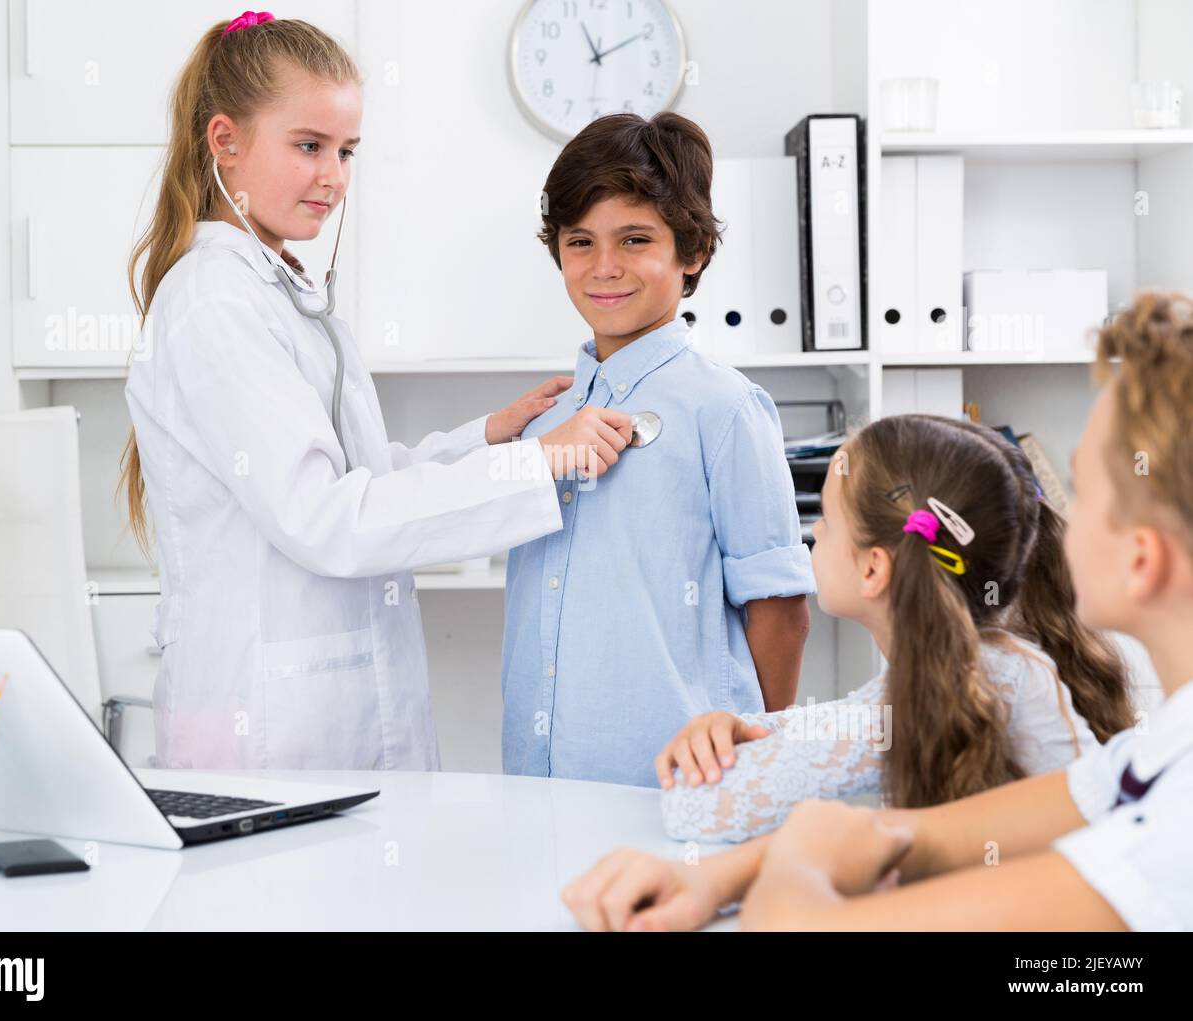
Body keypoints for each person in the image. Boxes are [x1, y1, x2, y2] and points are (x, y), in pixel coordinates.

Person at [563, 290, 1193, 932]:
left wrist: (807, 847)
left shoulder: (1173, 839)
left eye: (1083, 490)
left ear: (1142, 559)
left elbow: (797, 925)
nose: (1057, 519)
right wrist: (710, 876)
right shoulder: (1154, 758)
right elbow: (913, 835)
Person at [120, 13, 631, 770]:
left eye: (347, 151)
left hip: (318, 714)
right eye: (309, 146)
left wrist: (486, 436)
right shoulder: (215, 302)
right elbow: (330, 519)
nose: (333, 176)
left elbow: (352, 477)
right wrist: (535, 465)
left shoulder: (277, 287)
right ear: (225, 140)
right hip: (266, 726)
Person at [501, 112, 815, 789]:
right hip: (536, 780)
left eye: (635, 239)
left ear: (692, 251)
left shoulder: (725, 408)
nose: (604, 267)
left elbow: (781, 612)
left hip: (679, 785)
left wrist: (750, 761)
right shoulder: (544, 421)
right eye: (579, 241)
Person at [656, 415, 1131, 843]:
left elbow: (692, 810)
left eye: (829, 519)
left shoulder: (956, 682)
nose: (816, 532)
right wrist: (736, 727)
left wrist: (702, 760)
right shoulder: (989, 660)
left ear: (873, 570)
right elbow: (837, 721)